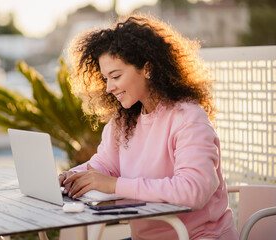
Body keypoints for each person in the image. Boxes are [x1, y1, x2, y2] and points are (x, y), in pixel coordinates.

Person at [59, 14, 238, 240]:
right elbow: (104, 166)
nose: (108, 88)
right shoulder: (124, 121)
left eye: (115, 76)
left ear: (147, 69)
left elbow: (193, 191)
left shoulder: (188, 118)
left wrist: (115, 186)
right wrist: (70, 177)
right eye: (105, 78)